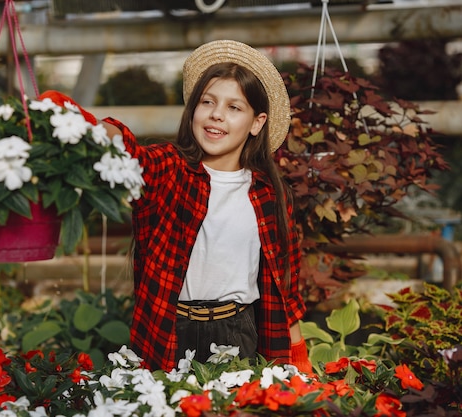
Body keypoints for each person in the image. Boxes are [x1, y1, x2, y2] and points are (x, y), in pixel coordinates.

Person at [41, 39, 311, 373]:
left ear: (257, 123)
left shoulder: (270, 193)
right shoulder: (170, 169)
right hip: (171, 330)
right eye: (207, 102)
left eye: (234, 107)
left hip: (238, 331)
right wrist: (84, 127)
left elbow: (285, 291)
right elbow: (130, 153)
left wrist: (299, 364)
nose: (216, 114)